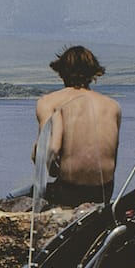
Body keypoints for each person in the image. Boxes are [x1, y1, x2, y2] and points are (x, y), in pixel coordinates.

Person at [34, 46, 121, 206]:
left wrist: (46, 163)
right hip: (104, 192)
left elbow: (50, 149)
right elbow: (113, 154)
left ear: (61, 72)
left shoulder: (49, 102)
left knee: (13, 197)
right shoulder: (113, 106)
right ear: (94, 73)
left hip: (69, 191)